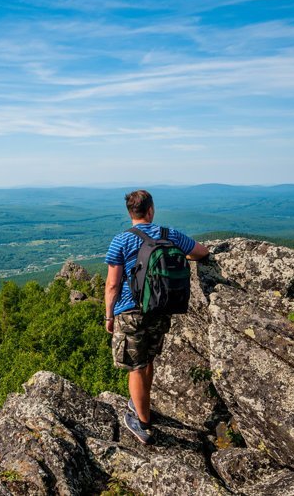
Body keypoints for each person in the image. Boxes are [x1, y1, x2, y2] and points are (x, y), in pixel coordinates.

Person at [104, 189, 209, 445]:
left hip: (131, 312)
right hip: (161, 308)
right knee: (148, 359)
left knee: (136, 367)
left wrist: (109, 315)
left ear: (130, 212)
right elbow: (201, 252)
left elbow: (113, 285)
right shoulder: (169, 234)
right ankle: (144, 407)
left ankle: (142, 423)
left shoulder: (121, 241)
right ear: (151, 210)